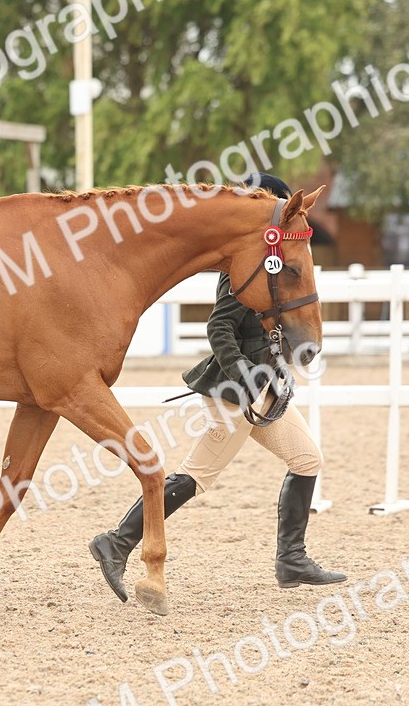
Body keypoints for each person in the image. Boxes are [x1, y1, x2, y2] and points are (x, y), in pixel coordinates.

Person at [88, 173, 346, 598]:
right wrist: (245, 373)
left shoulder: (272, 263)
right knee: (198, 475)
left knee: (307, 459)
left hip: (262, 390)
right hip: (234, 391)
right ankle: (116, 542)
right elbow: (219, 326)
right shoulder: (242, 268)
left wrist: (276, 367)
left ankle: (291, 560)